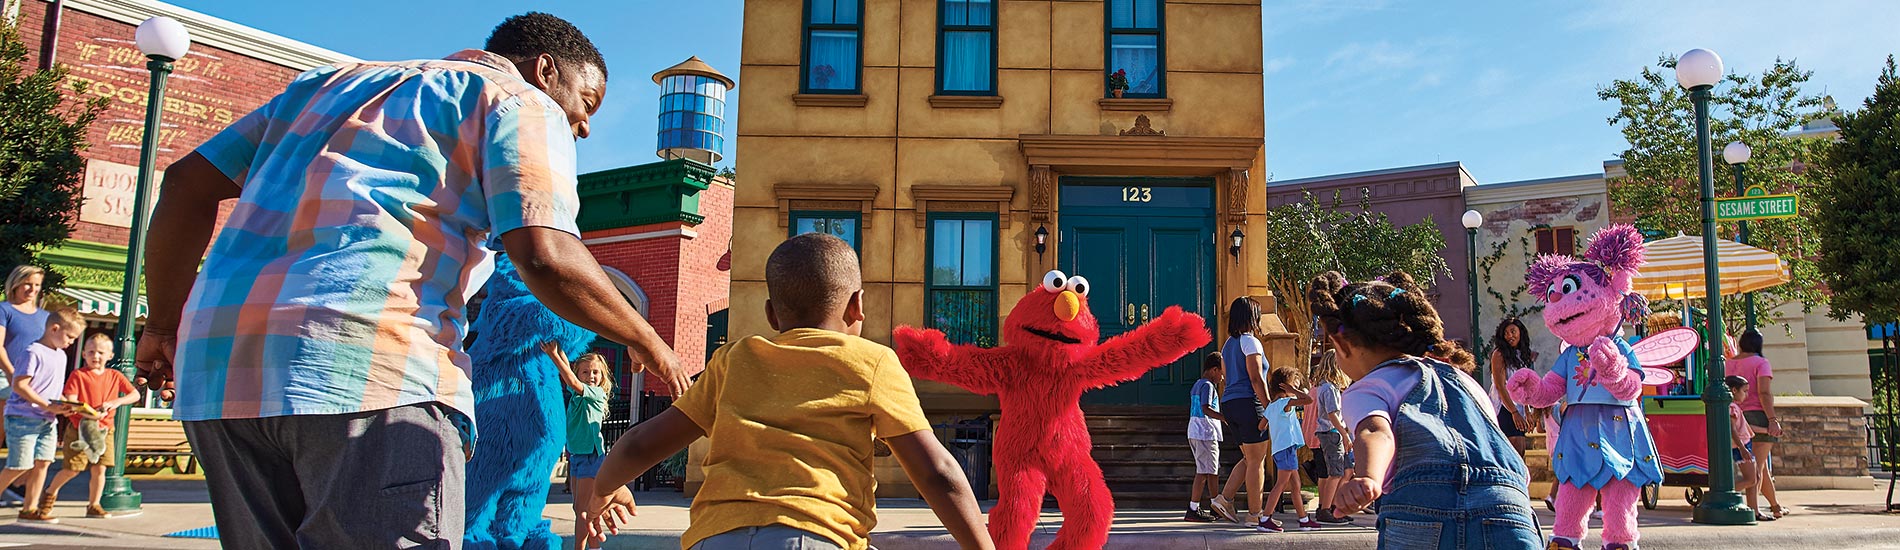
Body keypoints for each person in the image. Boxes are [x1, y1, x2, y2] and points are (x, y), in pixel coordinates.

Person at [133, 13, 685, 548]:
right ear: (546, 71)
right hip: (368, 367)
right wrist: (645, 338)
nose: (584, 127)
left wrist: (161, 324)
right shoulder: (519, 102)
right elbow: (544, 252)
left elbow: (184, 184)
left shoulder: (322, 86)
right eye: (586, 105)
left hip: (221, 378)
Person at [581, 233, 993, 550]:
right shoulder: (874, 362)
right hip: (817, 533)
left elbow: (638, 444)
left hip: (714, 536)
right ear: (857, 306)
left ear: (772, 314)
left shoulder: (734, 359)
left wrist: (604, 487)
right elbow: (936, 472)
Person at [1311, 271, 1540, 550]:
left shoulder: (1369, 387)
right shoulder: (1464, 380)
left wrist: (1369, 477)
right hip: (1508, 505)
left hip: (1424, 508)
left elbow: (1375, 431)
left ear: (1342, 345)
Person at [540, 342, 631, 549]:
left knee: (583, 510)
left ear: (602, 376)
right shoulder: (578, 395)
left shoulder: (595, 394)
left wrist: (553, 354)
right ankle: (595, 546)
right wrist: (560, 348)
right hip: (577, 455)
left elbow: (571, 381)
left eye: (596, 372)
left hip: (591, 456)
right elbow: (570, 377)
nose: (591, 376)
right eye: (586, 372)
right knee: (579, 508)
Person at [42, 333, 141, 518]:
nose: (96, 356)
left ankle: (94, 504)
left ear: (110, 355)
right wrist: (85, 411)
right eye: (91, 352)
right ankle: (49, 494)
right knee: (72, 469)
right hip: (80, 429)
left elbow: (135, 394)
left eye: (101, 352)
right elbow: (71, 398)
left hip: (105, 430)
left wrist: (115, 402)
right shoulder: (78, 375)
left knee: (100, 469)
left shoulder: (115, 375)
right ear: (84, 354)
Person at [0, 308, 81, 523]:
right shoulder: (32, 352)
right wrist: (47, 405)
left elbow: (52, 387)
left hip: (47, 419)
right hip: (22, 417)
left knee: (43, 462)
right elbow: (19, 385)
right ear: (54, 328)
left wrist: (65, 404)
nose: (71, 342)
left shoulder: (61, 356)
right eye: (70, 336)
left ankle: (30, 509)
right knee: (20, 465)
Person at [1210, 297, 1273, 527]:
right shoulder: (1251, 342)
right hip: (1249, 402)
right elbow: (1256, 378)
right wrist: (1270, 407)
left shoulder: (1227, 345)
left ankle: (1224, 499)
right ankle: (1256, 515)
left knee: (1248, 458)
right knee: (1258, 460)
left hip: (1230, 403)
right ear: (1251, 317)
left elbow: (1226, 377)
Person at [0, 265, 51, 507]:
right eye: (27, 283)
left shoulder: (44, 317)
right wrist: (12, 374)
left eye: (37, 285)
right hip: (5, 378)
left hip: (35, 385)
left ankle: (19, 487)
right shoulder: (5, 310)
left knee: (35, 440)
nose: (32, 289)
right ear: (16, 284)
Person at [1729, 330, 1784, 521]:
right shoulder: (1761, 363)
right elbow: (1764, 393)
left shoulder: (1728, 363)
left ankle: (1775, 506)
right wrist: (1772, 419)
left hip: (1736, 415)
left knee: (1761, 467)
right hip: (1757, 415)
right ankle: (1754, 510)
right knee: (1756, 468)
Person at [1258, 365, 1319, 533]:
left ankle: (1304, 519)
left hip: (1281, 449)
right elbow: (1308, 400)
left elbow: (1261, 426)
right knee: (1281, 484)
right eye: (1293, 384)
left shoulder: (1271, 406)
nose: (1296, 387)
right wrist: (1293, 391)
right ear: (1285, 386)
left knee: (1295, 485)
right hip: (1286, 448)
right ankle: (1265, 519)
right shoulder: (1286, 402)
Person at [1310, 349, 1355, 525]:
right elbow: (1332, 413)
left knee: (1343, 471)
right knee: (1335, 473)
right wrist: (1344, 434)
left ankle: (1334, 507)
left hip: (1332, 432)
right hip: (1332, 433)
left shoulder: (1327, 386)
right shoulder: (1329, 388)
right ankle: (1325, 509)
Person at [1488, 317, 1540, 461]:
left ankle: (1520, 483)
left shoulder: (1522, 356)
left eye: (1513, 331)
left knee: (1521, 450)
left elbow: (1524, 386)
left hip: (1519, 407)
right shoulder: (1499, 354)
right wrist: (1514, 412)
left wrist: (1527, 411)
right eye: (1506, 333)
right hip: (1504, 407)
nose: (1509, 336)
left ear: (1520, 332)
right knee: (1514, 451)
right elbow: (1500, 385)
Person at [1184, 352, 1225, 522]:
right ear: (1214, 369)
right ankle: (1209, 507)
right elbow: (1206, 408)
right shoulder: (1208, 386)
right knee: (1208, 471)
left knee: (1208, 470)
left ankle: (1209, 506)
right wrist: (1225, 418)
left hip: (1196, 431)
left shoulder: (1197, 384)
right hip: (1205, 432)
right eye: (1222, 372)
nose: (1223, 377)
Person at [1724, 376, 1759, 495]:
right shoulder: (1732, 408)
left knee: (1755, 478)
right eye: (1744, 391)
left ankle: (1754, 510)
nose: (1746, 395)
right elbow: (1732, 429)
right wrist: (1742, 448)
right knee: (1751, 479)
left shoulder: (1735, 407)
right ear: (1734, 390)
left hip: (1745, 443)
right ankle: (1724, 494)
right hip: (1741, 446)